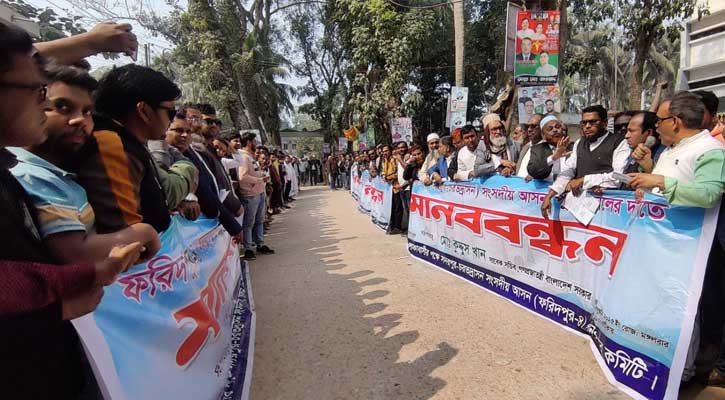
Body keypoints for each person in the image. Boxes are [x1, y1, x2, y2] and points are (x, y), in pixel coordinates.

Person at [0, 22, 146, 399]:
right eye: (42, 93)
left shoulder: (25, 173)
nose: (41, 100)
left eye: (87, 111)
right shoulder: (30, 173)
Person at [9, 64, 161, 263]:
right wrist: (144, 232)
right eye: (63, 107)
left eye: (87, 111)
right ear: (35, 105)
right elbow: (76, 253)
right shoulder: (31, 175)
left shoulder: (60, 175)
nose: (79, 120)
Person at [625, 93, 725, 387]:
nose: (655, 127)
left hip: (687, 249)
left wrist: (658, 181)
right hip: (663, 245)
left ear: (677, 121)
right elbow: (670, 185)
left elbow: (708, 194)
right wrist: (648, 172)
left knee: (683, 310)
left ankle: (680, 374)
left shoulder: (710, 150)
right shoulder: (672, 149)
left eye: (660, 121)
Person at [71, 64, 198, 233]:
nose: (171, 120)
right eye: (170, 112)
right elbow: (124, 231)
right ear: (144, 111)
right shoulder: (112, 144)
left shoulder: (126, 142)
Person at [541, 105, 630, 219]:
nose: (587, 126)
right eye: (584, 123)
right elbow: (568, 171)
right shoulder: (580, 143)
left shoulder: (619, 142)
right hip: (580, 210)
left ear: (605, 123)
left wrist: (584, 180)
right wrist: (550, 196)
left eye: (593, 122)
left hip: (608, 212)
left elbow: (619, 177)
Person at [237, 132, 274, 260]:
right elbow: (242, 177)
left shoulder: (250, 156)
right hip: (250, 195)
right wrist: (259, 180)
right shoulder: (243, 157)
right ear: (248, 142)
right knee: (248, 223)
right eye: (254, 141)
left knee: (259, 221)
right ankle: (248, 248)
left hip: (259, 193)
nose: (256, 144)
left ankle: (260, 244)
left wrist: (261, 178)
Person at [526, 115, 573, 181]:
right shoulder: (538, 149)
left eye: (557, 127)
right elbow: (533, 170)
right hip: (546, 189)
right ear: (543, 135)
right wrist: (553, 158)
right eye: (550, 129)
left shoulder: (573, 147)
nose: (555, 130)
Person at [516, 114, 545, 178]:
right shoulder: (525, 147)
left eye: (533, 126)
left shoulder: (549, 149)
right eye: (528, 126)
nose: (529, 130)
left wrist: (536, 176)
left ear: (543, 127)